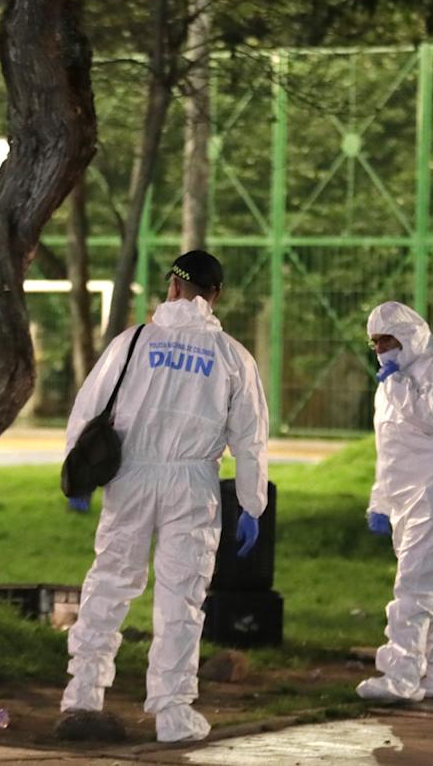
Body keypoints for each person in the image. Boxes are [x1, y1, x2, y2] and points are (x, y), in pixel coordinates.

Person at [58, 249, 270, 742]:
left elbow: (88, 409)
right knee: (182, 597)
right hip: (193, 485)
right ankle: (173, 712)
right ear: (215, 296)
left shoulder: (132, 342)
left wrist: (77, 477)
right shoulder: (232, 357)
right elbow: (250, 440)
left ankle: (83, 694)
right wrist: (252, 504)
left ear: (172, 287)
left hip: (129, 479)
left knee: (110, 583)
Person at [357, 301, 433, 702]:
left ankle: (400, 676)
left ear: (408, 336)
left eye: (387, 340)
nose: (380, 349)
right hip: (405, 498)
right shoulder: (389, 384)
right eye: (375, 342)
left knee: (415, 582)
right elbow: (388, 448)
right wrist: (380, 500)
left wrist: (396, 383)